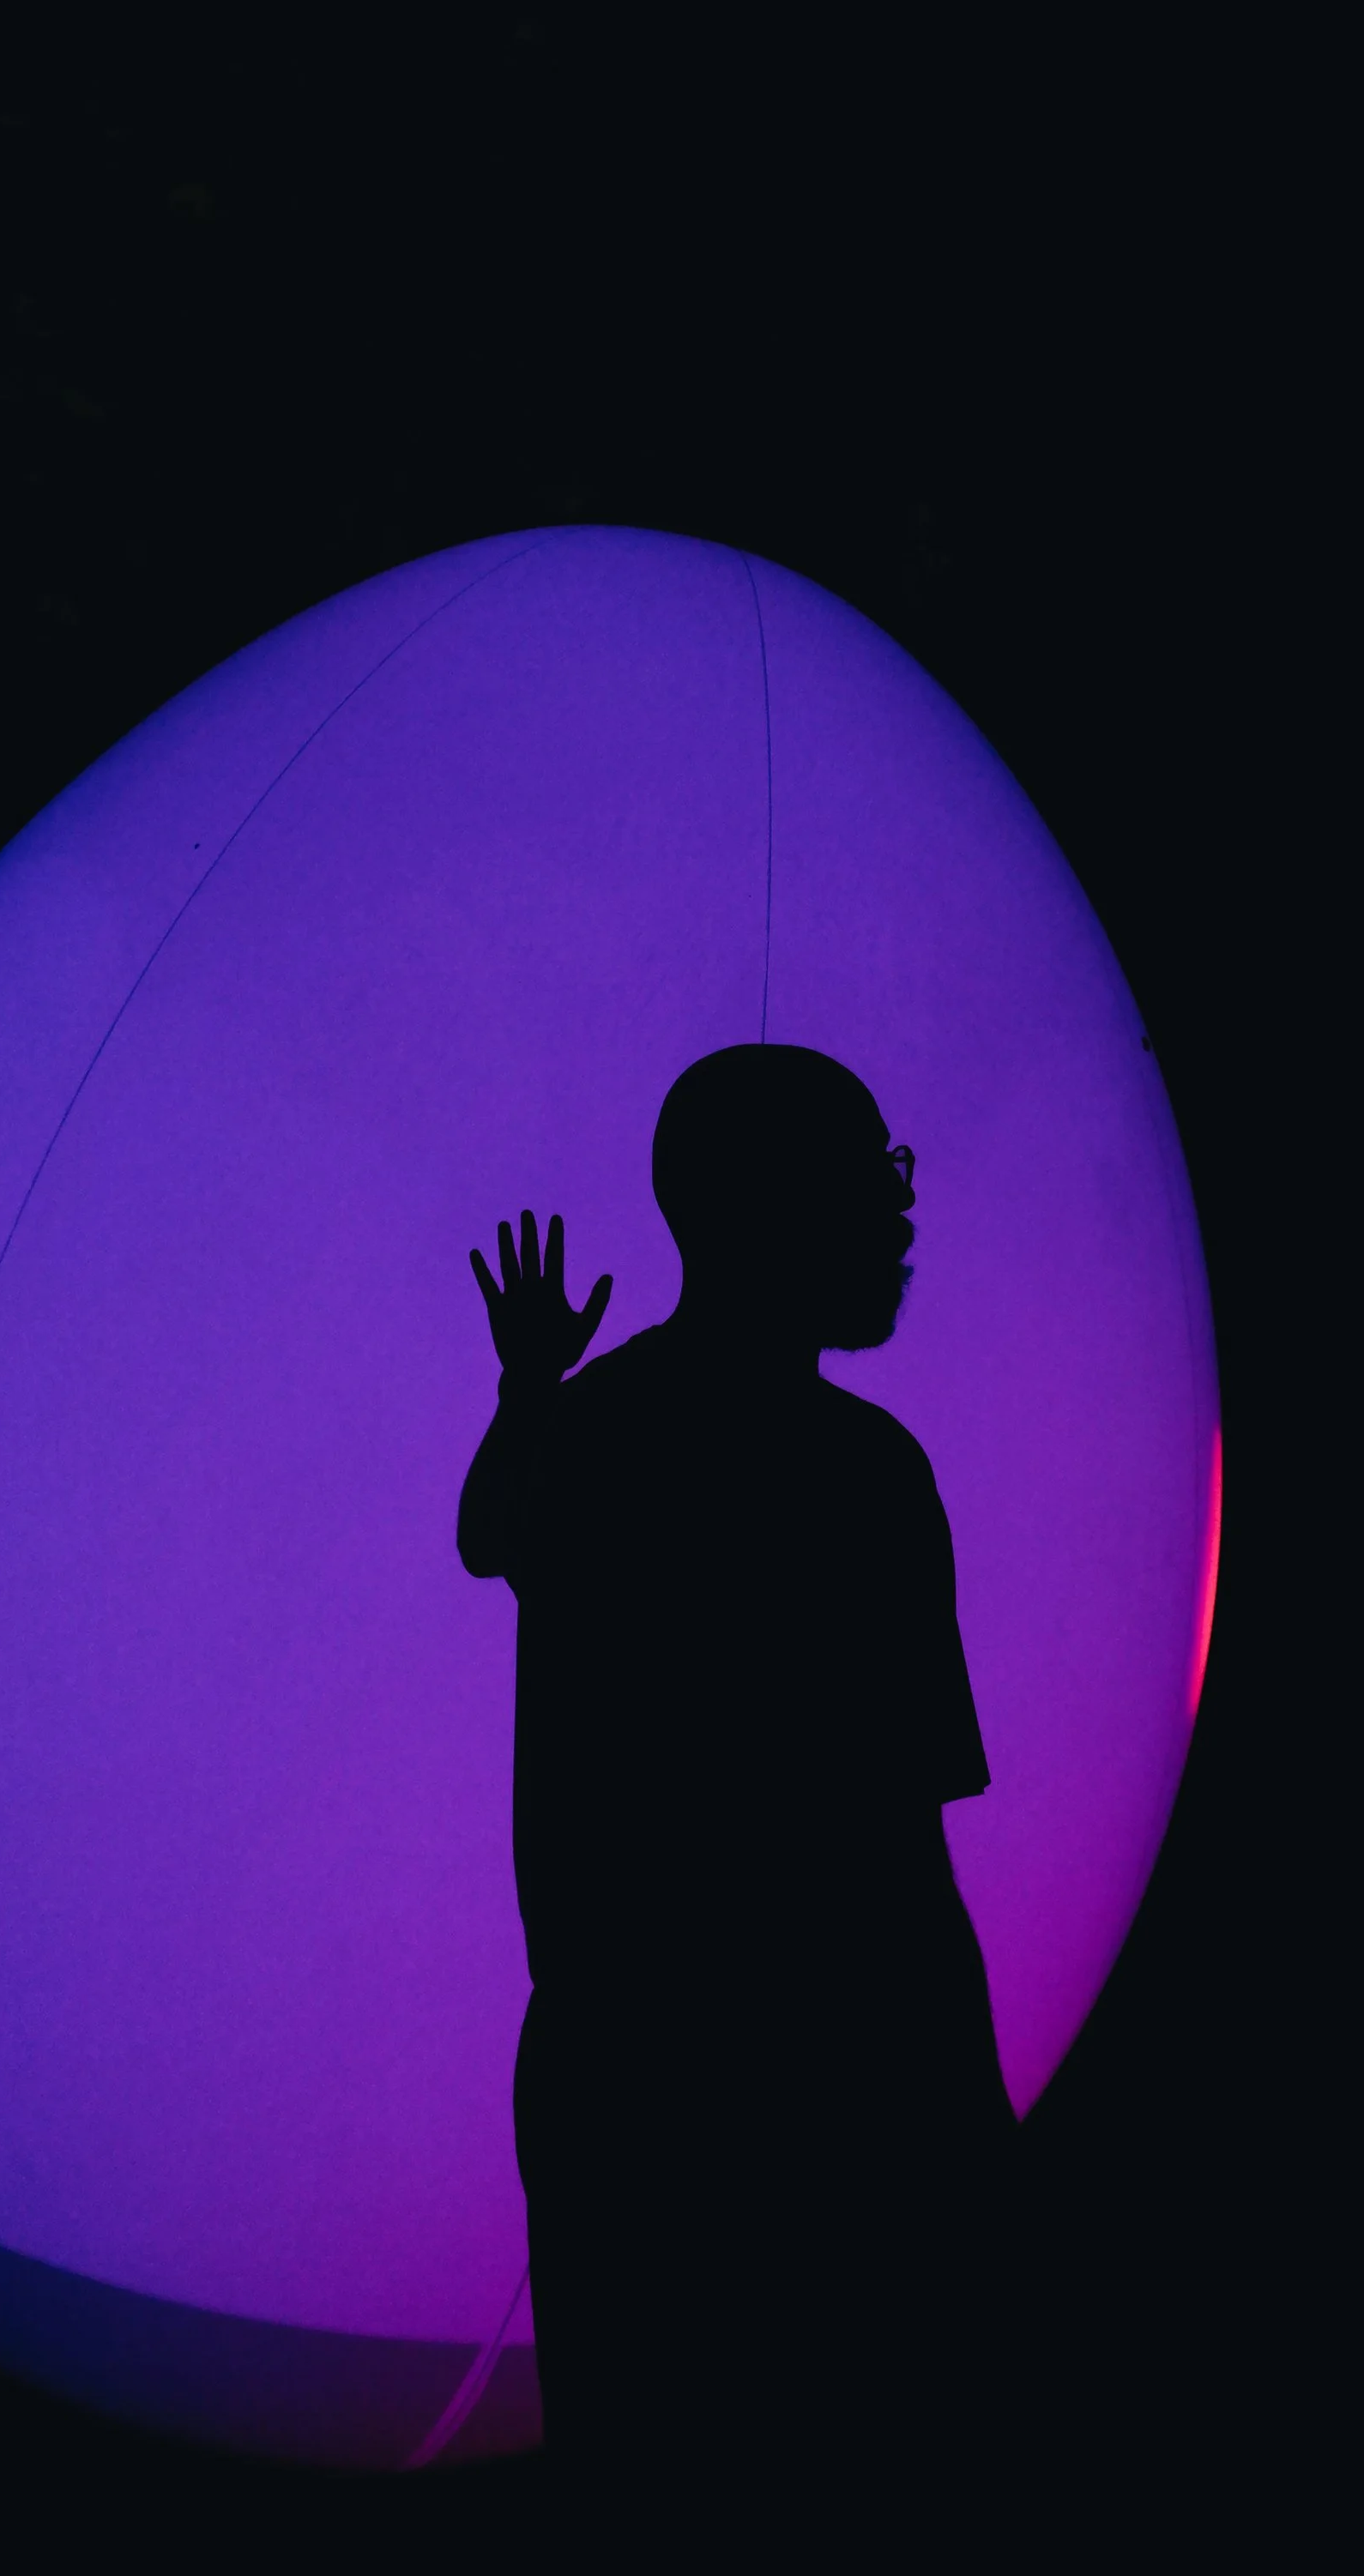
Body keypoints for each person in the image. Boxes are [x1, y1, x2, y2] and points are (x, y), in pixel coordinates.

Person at [458, 1044, 1019, 2543]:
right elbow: (905, 1856)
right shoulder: (865, 1477)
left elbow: (483, 1531)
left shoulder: (591, 1434)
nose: (899, 1213)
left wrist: (528, 1390)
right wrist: (971, 2130)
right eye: (869, 1177)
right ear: (772, 1210)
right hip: (837, 2116)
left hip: (617, 2100)